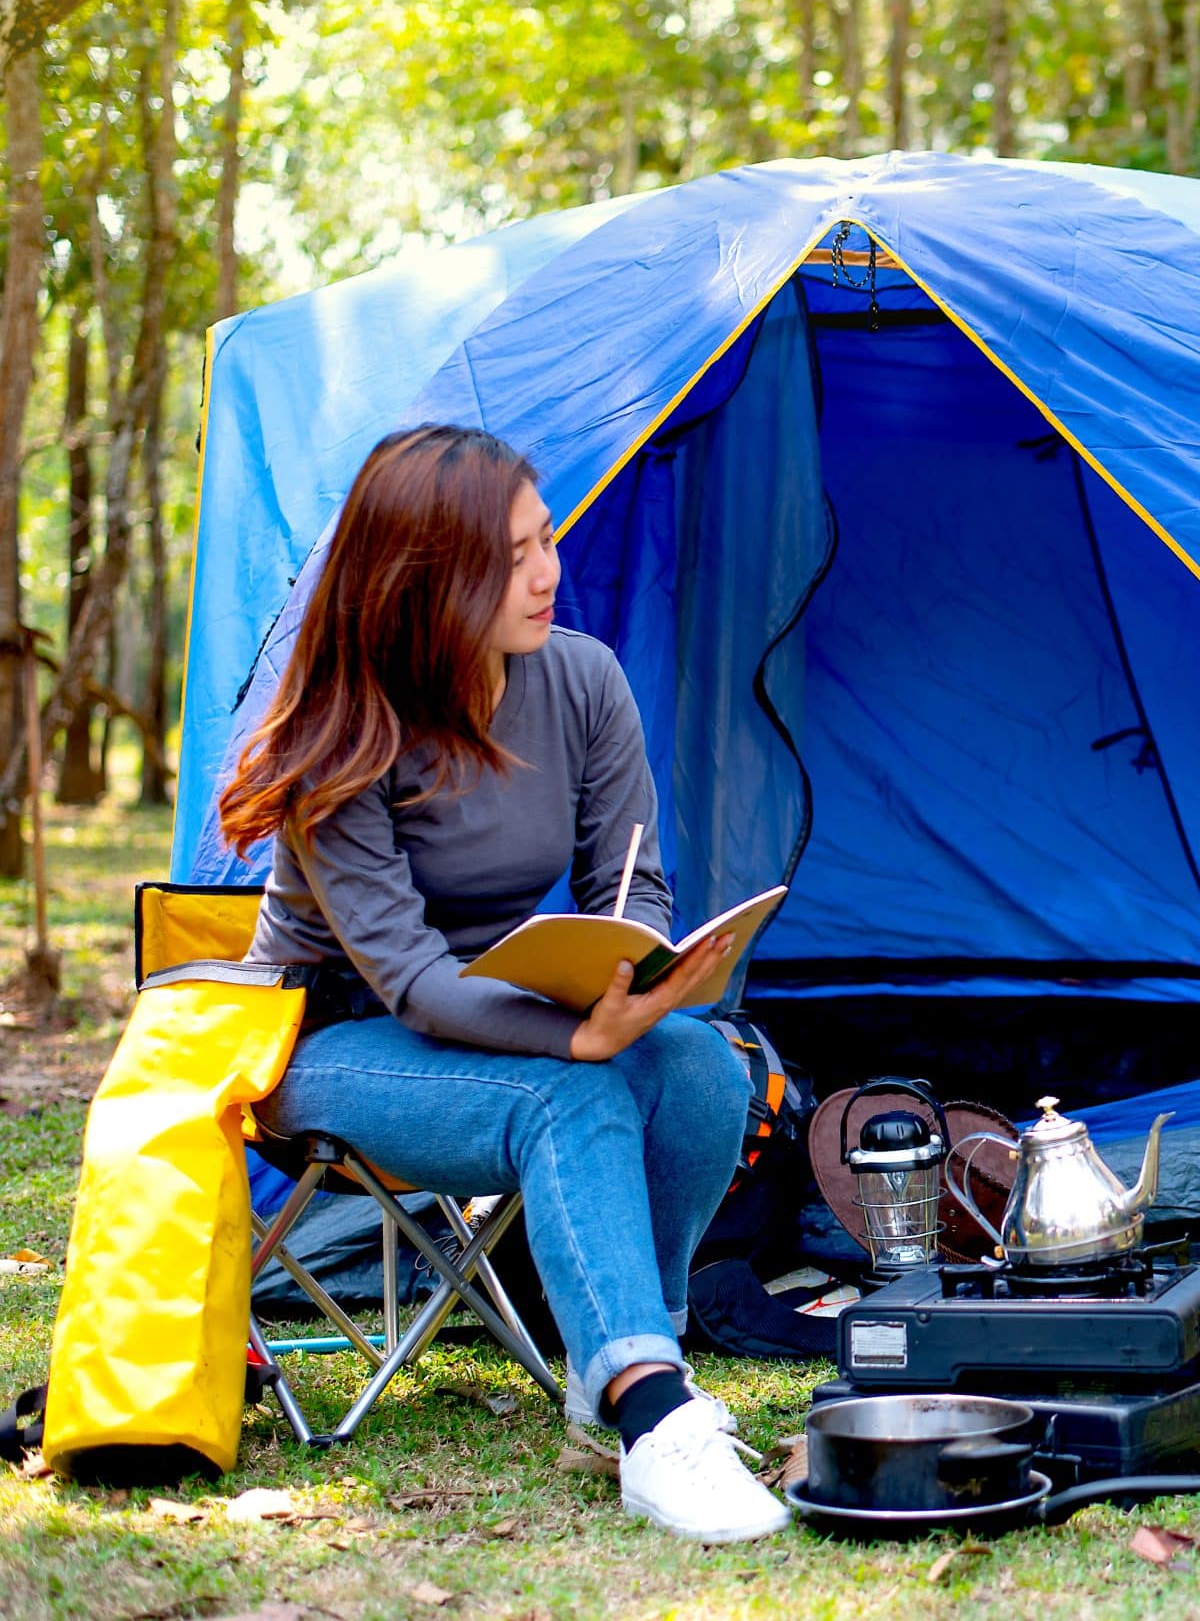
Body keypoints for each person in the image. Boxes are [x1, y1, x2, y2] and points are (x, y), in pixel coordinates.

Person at [221, 425, 790, 1543]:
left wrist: (640, 971)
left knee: (700, 1068)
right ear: (427, 580)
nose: (548, 571)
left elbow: (638, 887)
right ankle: (656, 1418)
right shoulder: (350, 728)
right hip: (331, 1041)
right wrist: (577, 1040)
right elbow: (410, 980)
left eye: (545, 540)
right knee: (567, 1092)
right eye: (513, 554)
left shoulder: (581, 679)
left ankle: (618, 1371)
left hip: (509, 1013)